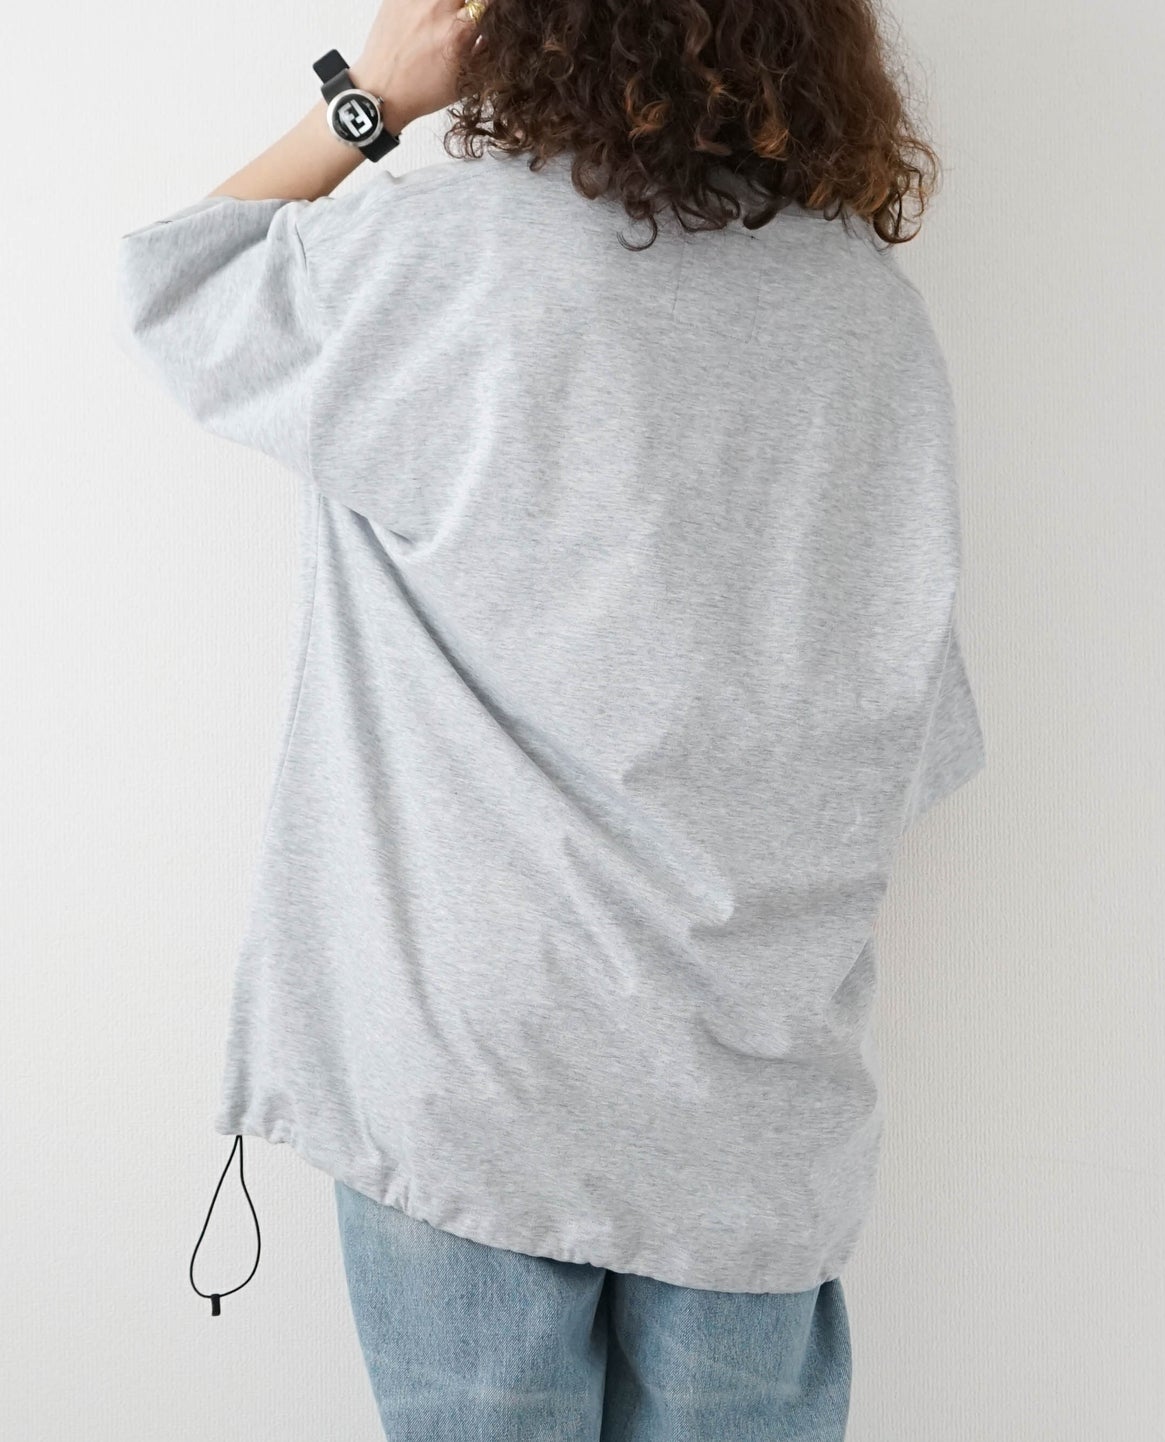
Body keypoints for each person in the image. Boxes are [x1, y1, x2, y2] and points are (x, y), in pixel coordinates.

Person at [115, 0, 985, 1436]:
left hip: (476, 1058)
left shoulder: (455, 251)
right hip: (753, 1097)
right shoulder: (868, 313)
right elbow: (914, 722)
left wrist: (372, 99)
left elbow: (175, 285)